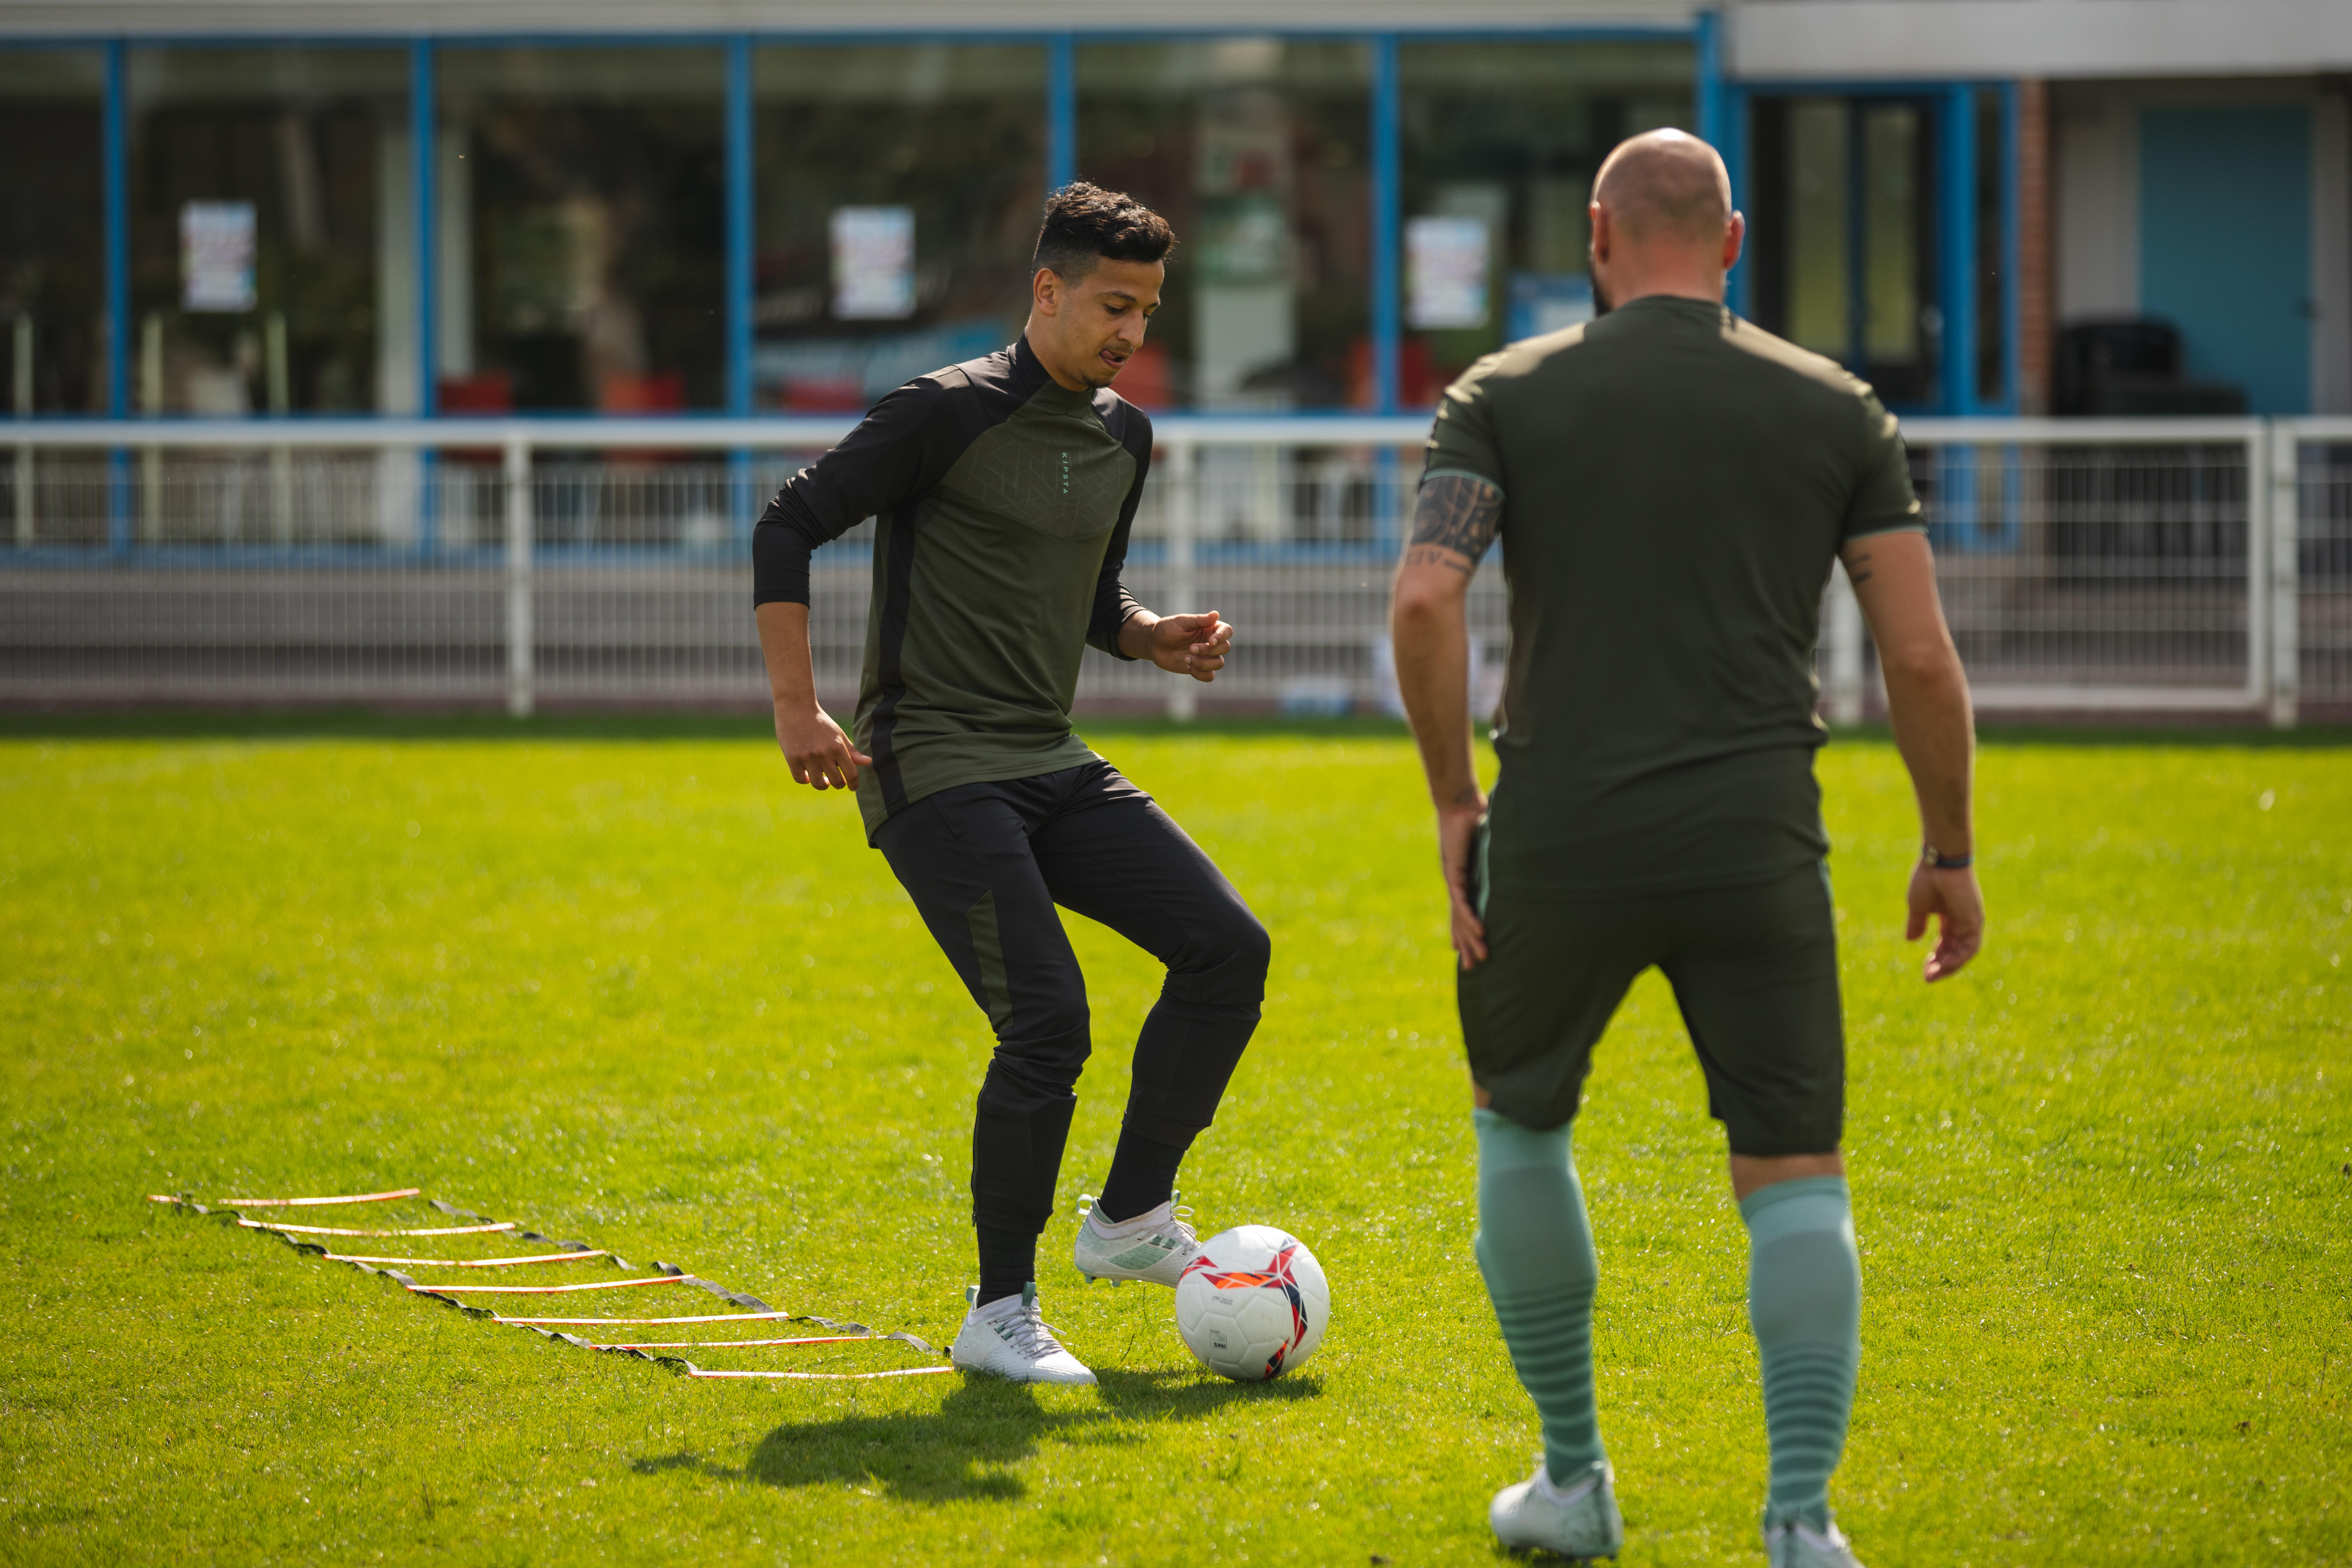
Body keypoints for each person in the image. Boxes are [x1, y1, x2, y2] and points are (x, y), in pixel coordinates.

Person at [1389, 129, 1983, 1567]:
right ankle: (1800, 1523)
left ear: (1599, 232)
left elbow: (1423, 605)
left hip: (1560, 833)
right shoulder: (1833, 406)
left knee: (1519, 1120)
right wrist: (1948, 849)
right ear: (1730, 242)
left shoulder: (1505, 395)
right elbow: (1918, 655)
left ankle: (1575, 1484)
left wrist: (1456, 805)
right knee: (1796, 1171)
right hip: (1756, 838)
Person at [750, 183, 1270, 1387]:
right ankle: (999, 1312)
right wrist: (796, 704)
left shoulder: (1123, 439)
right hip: (930, 764)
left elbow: (1093, 604)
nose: (1130, 332)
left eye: (1146, 310)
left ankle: (1132, 1220)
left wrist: (1150, 637)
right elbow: (788, 525)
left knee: (1228, 949)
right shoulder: (943, 412)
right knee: (1050, 1020)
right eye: (1110, 305)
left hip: (1048, 758)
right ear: (1046, 291)